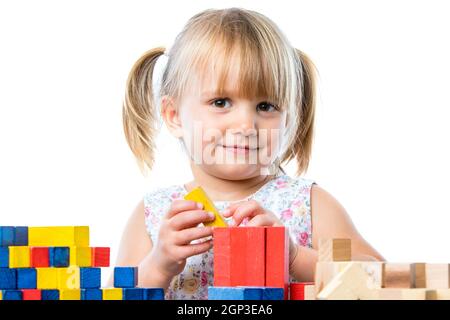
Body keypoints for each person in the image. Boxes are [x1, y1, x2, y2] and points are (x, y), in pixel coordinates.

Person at [110, 7, 384, 299]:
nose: (245, 124)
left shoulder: (310, 205)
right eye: (221, 102)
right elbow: (119, 294)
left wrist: (293, 257)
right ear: (174, 115)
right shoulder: (154, 214)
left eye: (266, 106)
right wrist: (158, 265)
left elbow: (380, 282)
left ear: (288, 120)